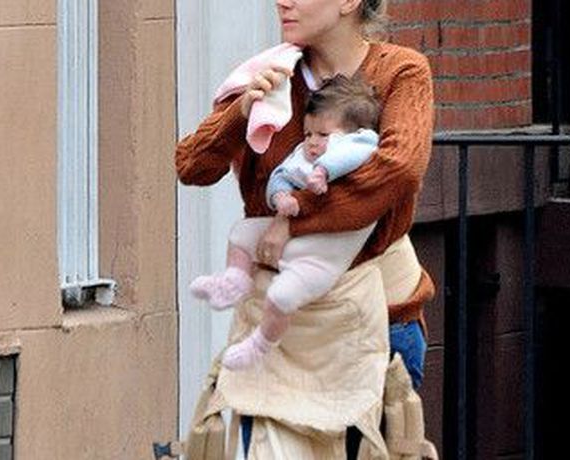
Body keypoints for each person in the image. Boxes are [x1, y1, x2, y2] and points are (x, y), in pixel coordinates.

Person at [176, 0, 435, 455]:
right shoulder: (270, 76)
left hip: (374, 320)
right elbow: (192, 165)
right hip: (280, 338)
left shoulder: (401, 72)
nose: (282, 1)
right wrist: (241, 111)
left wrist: (289, 223)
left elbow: (398, 170)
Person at [189, 75, 382, 371]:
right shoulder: (305, 153)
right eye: (307, 133)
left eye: (323, 134)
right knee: (241, 233)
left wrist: (323, 172)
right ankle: (234, 280)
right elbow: (282, 174)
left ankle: (260, 344)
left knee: (282, 296)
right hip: (291, 238)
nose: (312, 142)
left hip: (322, 257)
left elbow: (353, 154)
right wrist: (279, 196)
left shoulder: (363, 147)